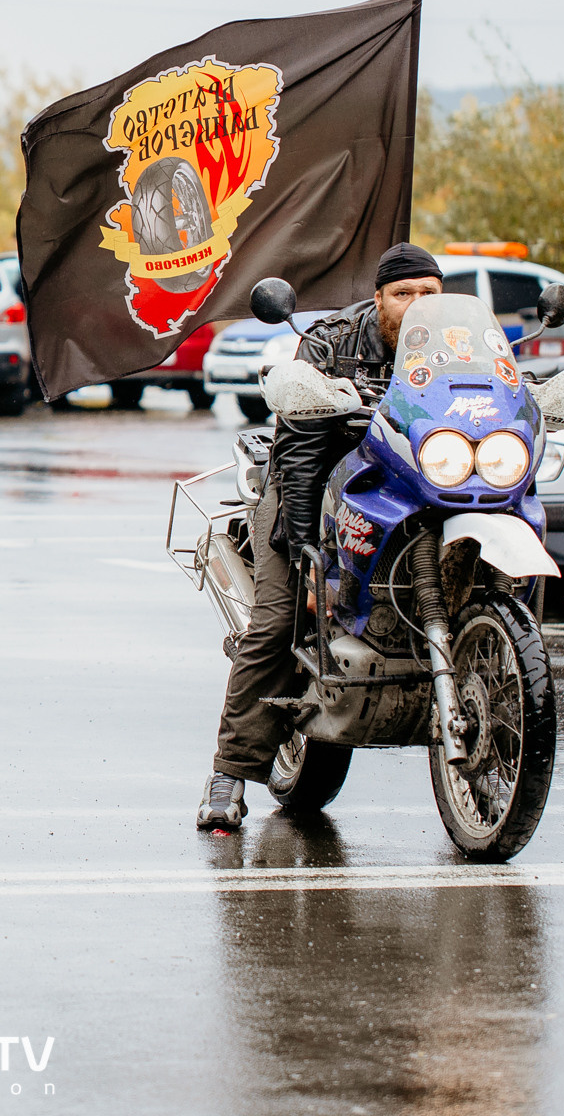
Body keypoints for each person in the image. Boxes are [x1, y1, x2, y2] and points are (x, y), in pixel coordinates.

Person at [196, 242, 446, 831]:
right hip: (310, 495)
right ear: (379, 297)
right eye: (403, 293)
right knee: (279, 622)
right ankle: (228, 776)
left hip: (406, 495)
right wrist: (313, 563)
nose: (415, 305)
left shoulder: (456, 348)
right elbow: (302, 458)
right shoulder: (329, 342)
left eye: (428, 294)